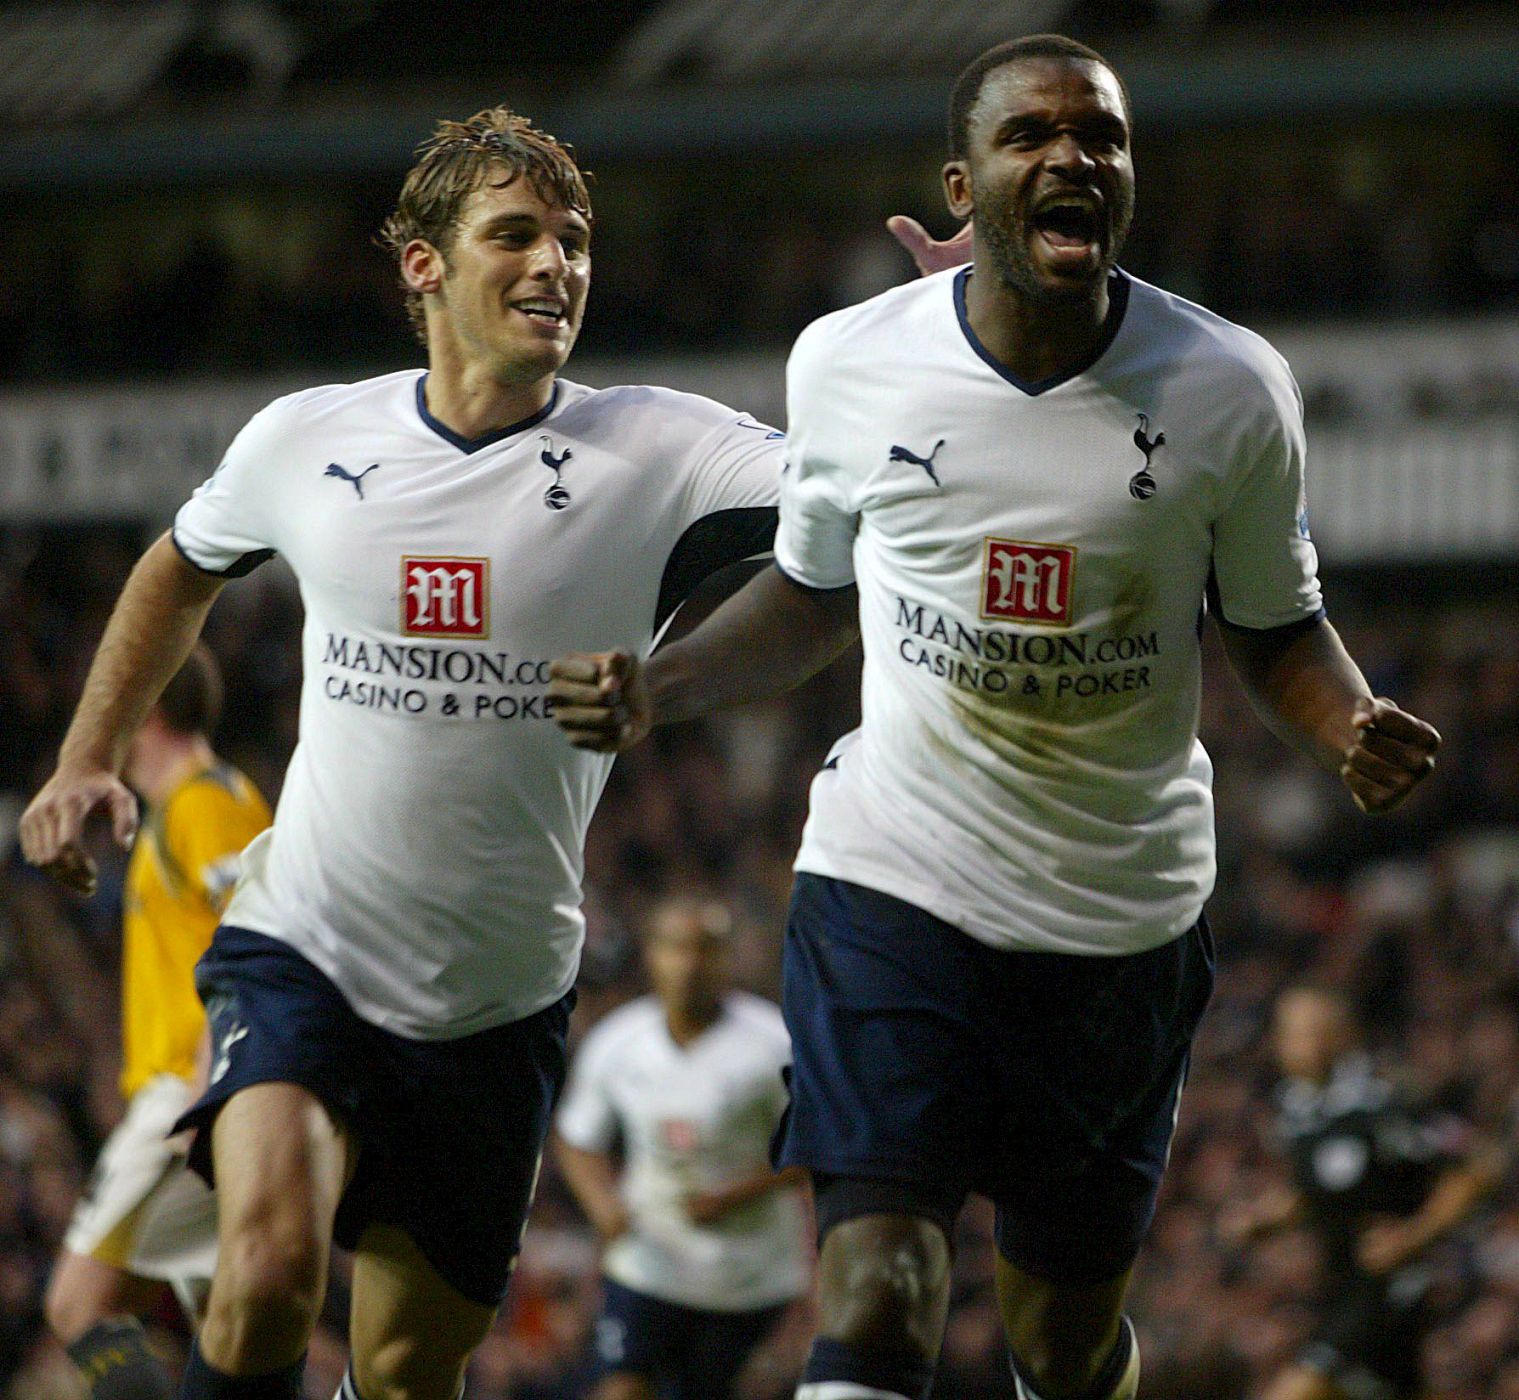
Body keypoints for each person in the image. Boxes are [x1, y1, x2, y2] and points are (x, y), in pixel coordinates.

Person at [549, 33, 1443, 1400]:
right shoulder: (850, 363)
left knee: (1062, 1342)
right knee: (880, 1287)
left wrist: (1340, 723)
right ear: (961, 186)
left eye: (1099, 136)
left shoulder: (1227, 387)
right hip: (892, 881)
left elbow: (1270, 627)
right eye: (1029, 137)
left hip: (1115, 917)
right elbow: (803, 597)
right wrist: (653, 686)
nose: (1072, 157)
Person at [17, 108, 791, 1400]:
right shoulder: (309, 440)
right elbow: (178, 566)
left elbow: (849, 508)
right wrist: (84, 754)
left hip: (494, 1004)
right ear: (423, 267)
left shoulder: (661, 454)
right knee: (262, 1276)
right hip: (304, 951)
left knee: (399, 1371)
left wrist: (949, 354)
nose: (556, 264)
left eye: (574, 239)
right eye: (515, 234)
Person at [45, 646, 271, 1400]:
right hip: (200, 1088)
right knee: (237, 1343)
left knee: (77, 1304)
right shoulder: (186, 807)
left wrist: (210, 1091)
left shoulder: (209, 803)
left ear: (150, 708)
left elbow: (249, 948)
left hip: (194, 1089)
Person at [554, 894, 808, 1400]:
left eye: (706, 949)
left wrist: (734, 1194)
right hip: (648, 1265)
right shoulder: (619, 1043)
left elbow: (813, 1146)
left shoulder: (771, 1044)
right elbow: (578, 1138)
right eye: (676, 947)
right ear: (652, 954)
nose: (690, 964)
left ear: (728, 956)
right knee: (620, 1390)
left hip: (746, 1277)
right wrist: (603, 1203)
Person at [1221, 986, 1506, 1400]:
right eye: (1288, 1032)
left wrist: (1413, 1236)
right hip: (1342, 1286)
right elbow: (1323, 1191)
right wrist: (1267, 1222)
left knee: (1298, 1389)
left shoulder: (1381, 1100)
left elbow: (1472, 1171)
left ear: (1340, 1035)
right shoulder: (1297, 1111)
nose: (1293, 1044)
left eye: (1307, 1032)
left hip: (1394, 1287)